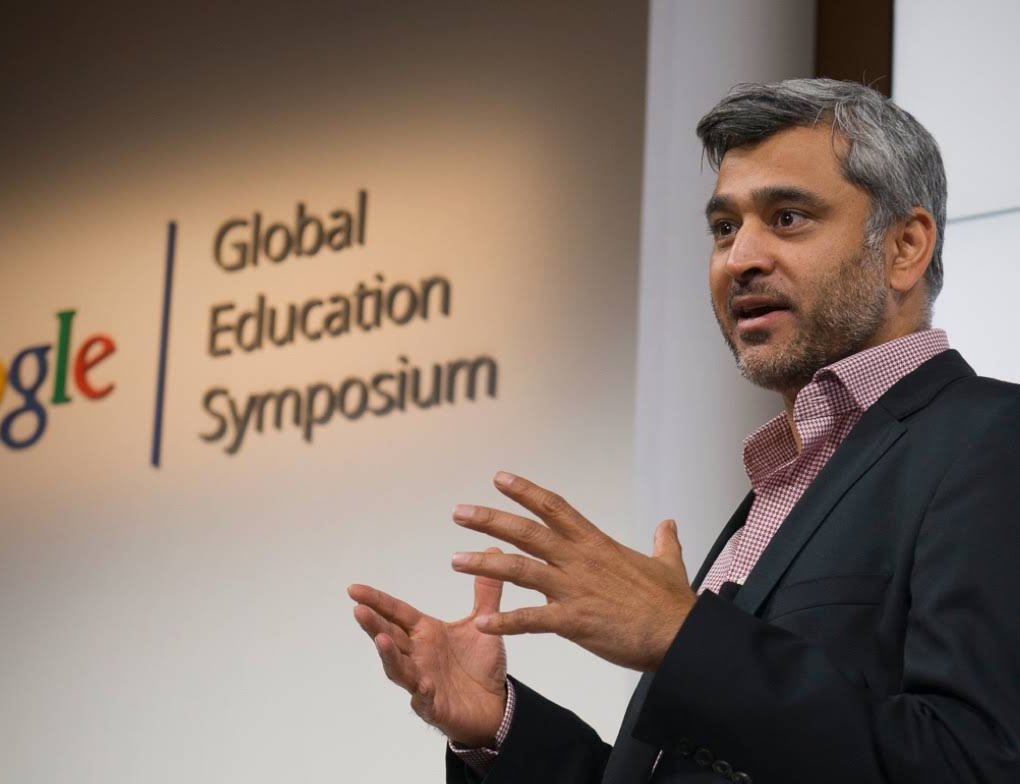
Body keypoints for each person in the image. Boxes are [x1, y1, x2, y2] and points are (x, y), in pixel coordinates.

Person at [347, 79, 1020, 783]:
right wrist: (500, 729)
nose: (740, 259)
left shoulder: (992, 442)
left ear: (906, 246)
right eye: (725, 228)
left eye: (788, 217)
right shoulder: (786, 481)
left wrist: (681, 636)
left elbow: (973, 763)